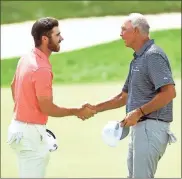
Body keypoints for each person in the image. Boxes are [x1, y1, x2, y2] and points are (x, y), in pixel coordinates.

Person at [84, 13, 177, 178]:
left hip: (151, 128)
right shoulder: (138, 59)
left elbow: (169, 93)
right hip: (139, 129)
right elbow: (124, 97)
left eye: (123, 30)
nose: (120, 34)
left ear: (135, 31)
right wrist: (95, 108)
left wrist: (139, 112)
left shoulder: (153, 56)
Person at [7, 17, 96, 178]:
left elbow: (13, 86)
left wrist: (26, 113)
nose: (61, 38)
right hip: (30, 135)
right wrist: (76, 111)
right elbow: (47, 108)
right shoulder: (41, 69)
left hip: (18, 129)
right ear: (44, 39)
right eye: (57, 35)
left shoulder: (25, 58)